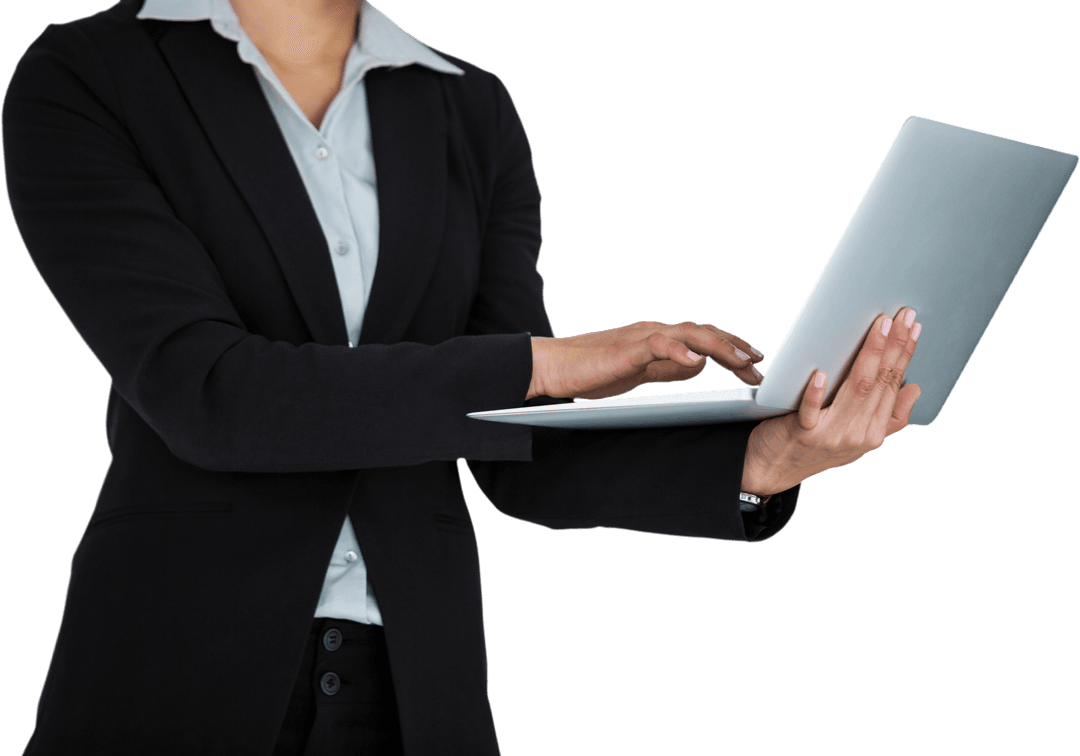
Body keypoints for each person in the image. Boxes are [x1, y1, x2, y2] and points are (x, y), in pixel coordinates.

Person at [1, 0, 921, 753]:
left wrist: (764, 458)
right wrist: (545, 364)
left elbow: (516, 446)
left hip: (412, 694)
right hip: (171, 681)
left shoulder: (470, 110)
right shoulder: (87, 75)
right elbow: (211, 397)